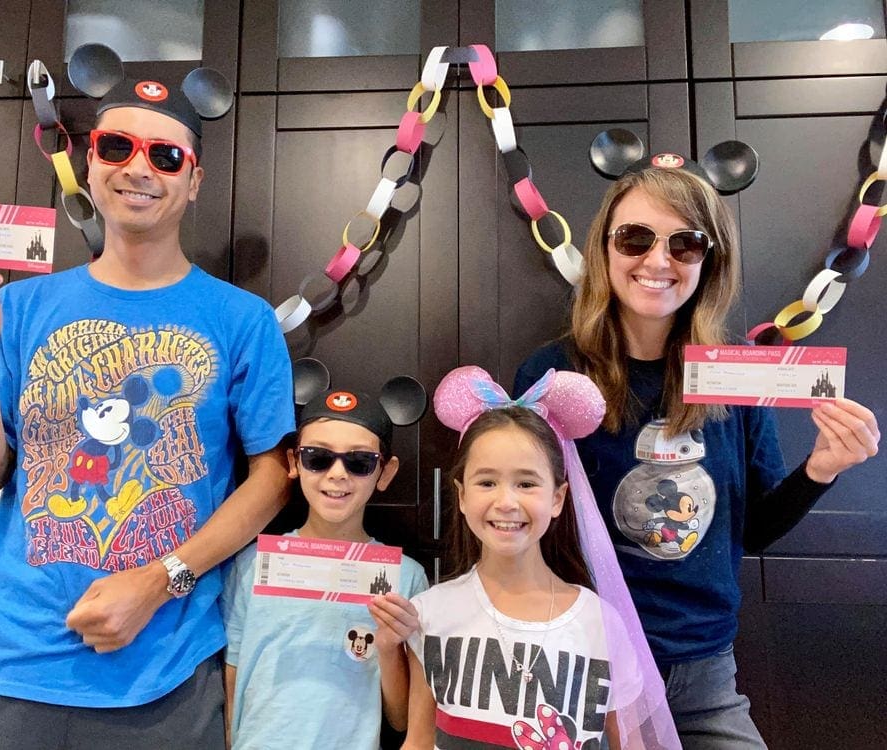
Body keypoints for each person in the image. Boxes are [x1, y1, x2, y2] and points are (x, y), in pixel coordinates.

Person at [0, 73, 295, 749]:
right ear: (90, 160)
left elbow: (271, 479)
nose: (138, 168)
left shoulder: (244, 321)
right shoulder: (18, 309)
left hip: (161, 682)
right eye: (117, 146)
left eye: (165, 155)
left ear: (195, 180)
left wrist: (159, 581)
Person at [514, 166, 881, 748]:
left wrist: (821, 470)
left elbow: (753, 529)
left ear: (709, 260)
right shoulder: (552, 374)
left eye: (685, 243)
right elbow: (522, 522)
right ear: (604, 247)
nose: (658, 261)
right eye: (635, 238)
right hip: (585, 665)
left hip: (706, 670)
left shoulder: (736, 371)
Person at [403, 366, 680, 750]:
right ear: (462, 495)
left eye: (526, 483)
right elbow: (417, 741)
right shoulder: (430, 613)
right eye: (486, 482)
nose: (506, 502)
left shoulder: (599, 623)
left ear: (557, 498)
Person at [222, 384, 429, 749]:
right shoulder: (253, 564)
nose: (337, 474)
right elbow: (233, 677)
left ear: (385, 472)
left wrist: (387, 645)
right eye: (318, 457)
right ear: (293, 462)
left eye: (359, 462)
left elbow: (400, 717)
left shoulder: (404, 576)